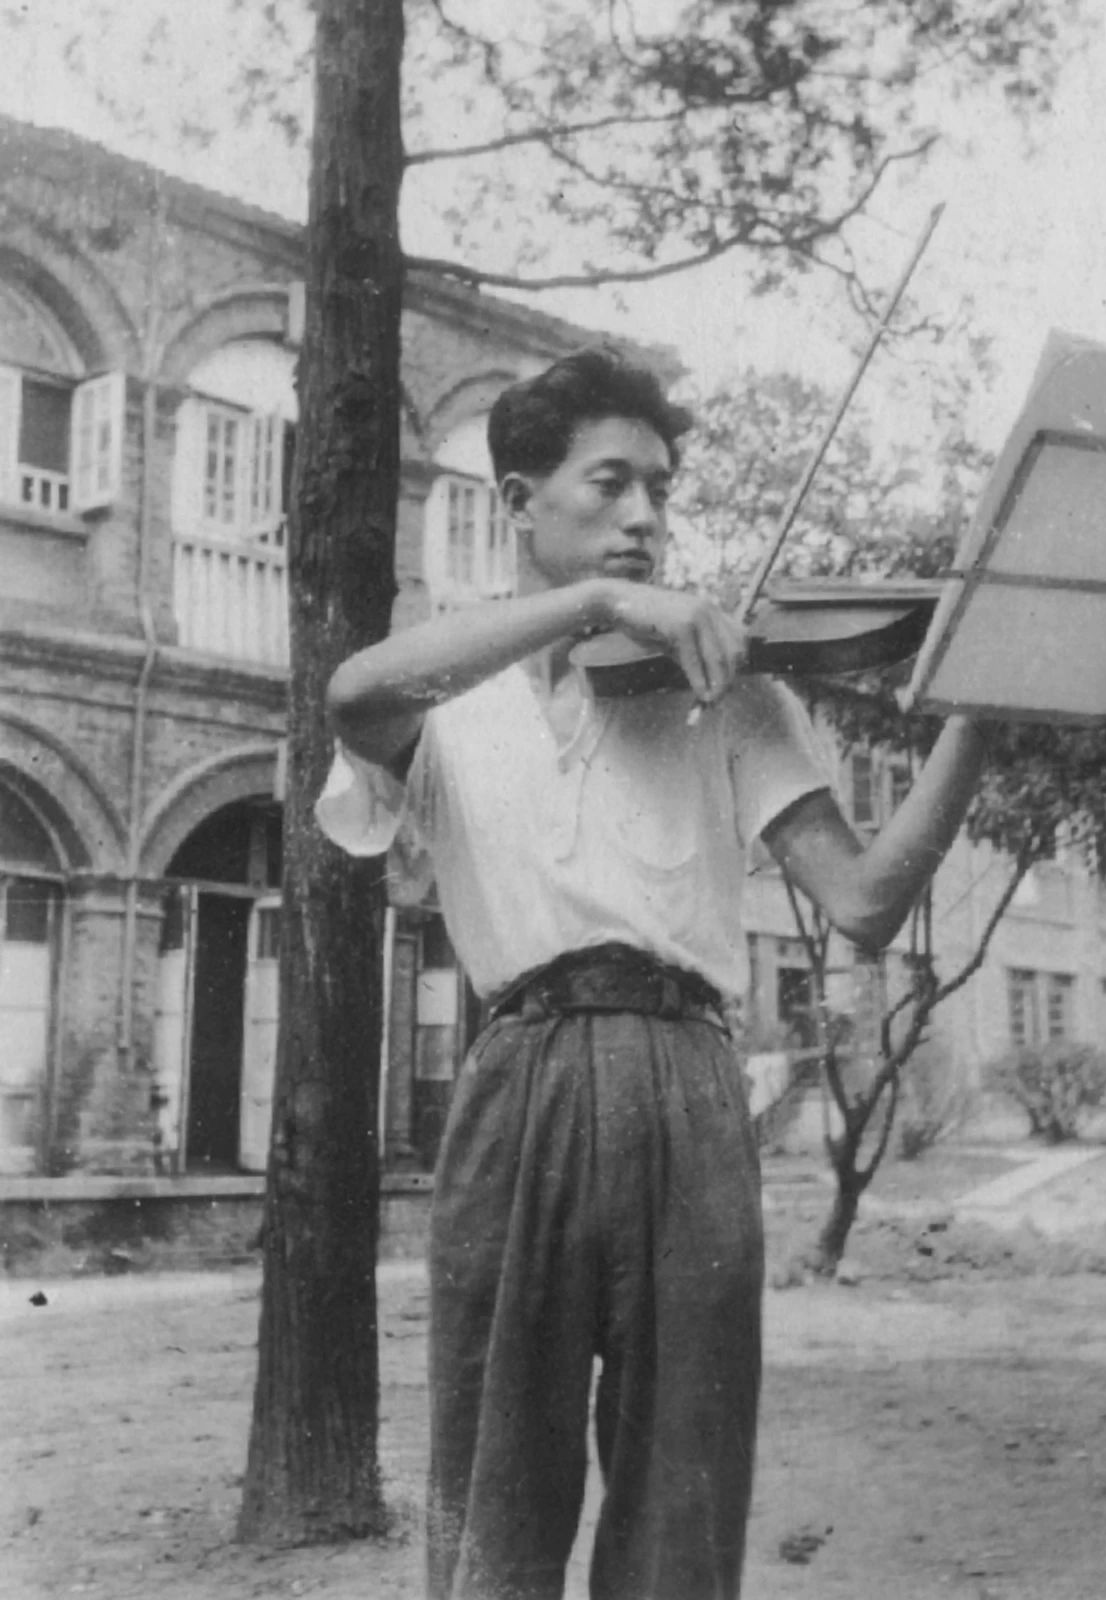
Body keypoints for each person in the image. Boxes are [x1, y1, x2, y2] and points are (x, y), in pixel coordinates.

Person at [317, 345, 987, 1600]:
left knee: (684, 1487)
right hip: (517, 1079)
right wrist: (598, 606)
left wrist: (980, 714)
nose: (644, 516)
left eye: (661, 492)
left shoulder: (723, 689)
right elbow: (353, 692)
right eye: (610, 483)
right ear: (519, 502)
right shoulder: (450, 691)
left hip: (687, 1080)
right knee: (491, 1489)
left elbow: (862, 903)